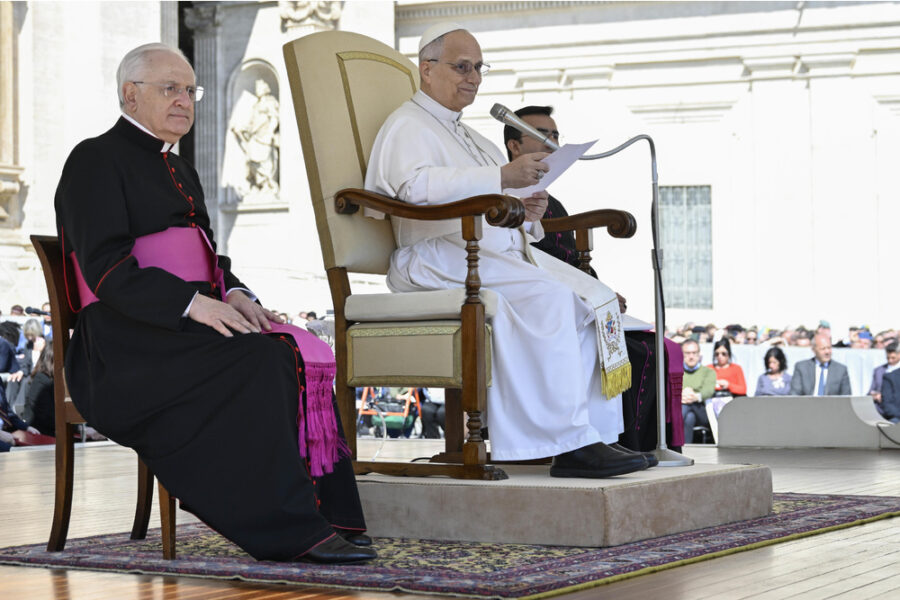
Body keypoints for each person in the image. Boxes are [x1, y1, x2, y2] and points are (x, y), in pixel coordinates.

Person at [53, 43, 373, 563]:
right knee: (263, 360)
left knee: (296, 349)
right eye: (170, 89)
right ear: (130, 95)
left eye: (190, 90)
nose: (184, 100)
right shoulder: (93, 159)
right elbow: (105, 268)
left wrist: (238, 294)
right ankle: (286, 529)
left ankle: (330, 516)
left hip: (176, 329)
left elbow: (208, 258)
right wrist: (192, 304)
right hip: (122, 344)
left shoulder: (181, 169)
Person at [364, 23, 647, 478]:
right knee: (551, 299)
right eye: (462, 67)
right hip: (434, 255)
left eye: (479, 67)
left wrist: (527, 211)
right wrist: (501, 179)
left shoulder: (473, 137)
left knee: (587, 302)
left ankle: (595, 436)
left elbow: (496, 201)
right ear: (427, 69)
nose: (473, 77)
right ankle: (568, 444)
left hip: (487, 254)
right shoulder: (406, 124)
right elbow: (413, 189)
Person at [503, 105, 682, 453]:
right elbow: (529, 262)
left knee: (649, 347)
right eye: (541, 134)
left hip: (573, 295)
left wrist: (600, 291)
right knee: (633, 351)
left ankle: (640, 448)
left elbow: (570, 260)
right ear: (514, 146)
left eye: (555, 135)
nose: (552, 142)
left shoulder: (552, 203)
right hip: (538, 302)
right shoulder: (506, 199)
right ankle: (606, 444)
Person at [680, 339, 716, 442]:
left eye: (694, 353)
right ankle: (685, 448)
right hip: (683, 407)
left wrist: (694, 397)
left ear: (699, 354)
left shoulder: (708, 372)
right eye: (687, 353)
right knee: (689, 417)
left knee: (685, 406)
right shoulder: (677, 371)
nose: (691, 356)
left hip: (701, 410)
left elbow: (708, 391)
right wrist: (681, 395)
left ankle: (671, 435)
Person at [22, 343, 55, 436]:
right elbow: (45, 415)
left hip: (52, 429)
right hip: (39, 433)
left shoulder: (51, 379)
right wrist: (76, 427)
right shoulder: (41, 380)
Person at [868, 341, 900, 418]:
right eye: (888, 358)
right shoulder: (879, 371)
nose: (890, 360)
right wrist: (876, 395)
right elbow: (870, 392)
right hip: (881, 410)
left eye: (893, 358)